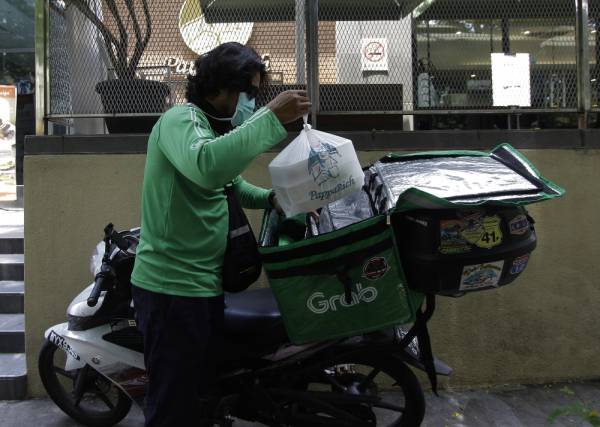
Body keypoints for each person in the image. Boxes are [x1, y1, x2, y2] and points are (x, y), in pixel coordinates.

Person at [130, 42, 310, 427]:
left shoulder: (211, 130)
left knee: (200, 395)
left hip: (203, 287)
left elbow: (229, 185)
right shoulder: (179, 121)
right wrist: (270, 118)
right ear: (217, 87)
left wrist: (271, 200)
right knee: (172, 404)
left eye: (256, 94)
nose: (251, 102)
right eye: (246, 92)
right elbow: (207, 168)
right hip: (170, 291)